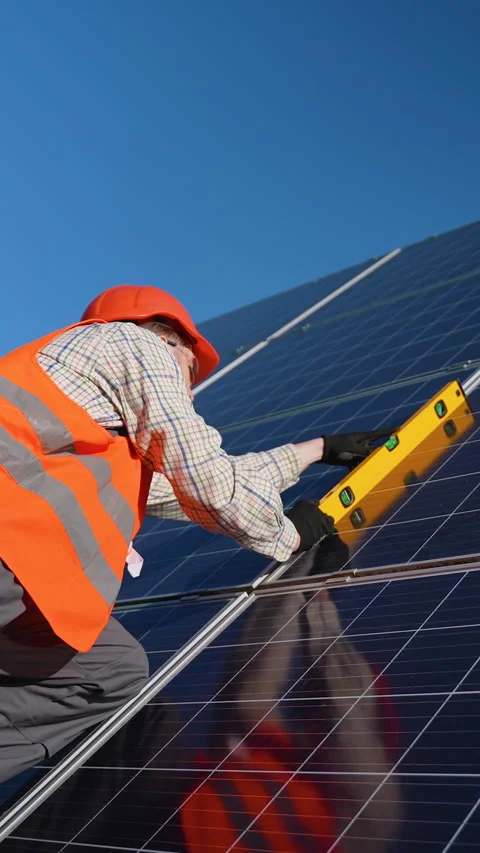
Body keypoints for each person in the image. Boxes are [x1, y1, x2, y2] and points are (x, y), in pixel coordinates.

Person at [0, 283, 390, 784]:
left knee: (111, 672)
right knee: (105, 670)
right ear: (173, 337)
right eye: (190, 370)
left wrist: (315, 450)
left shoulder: (95, 427)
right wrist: (285, 533)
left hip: (22, 568)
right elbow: (206, 480)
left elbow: (183, 488)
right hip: (11, 551)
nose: (188, 387)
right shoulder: (135, 345)